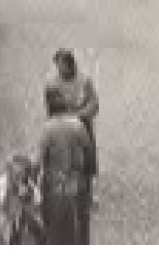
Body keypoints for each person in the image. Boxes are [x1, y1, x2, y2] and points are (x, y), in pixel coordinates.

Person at [37, 84, 93, 244]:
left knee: (55, 232)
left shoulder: (48, 128)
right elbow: (88, 151)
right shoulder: (77, 124)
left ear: (48, 107)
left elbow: (38, 160)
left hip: (56, 189)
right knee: (80, 229)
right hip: (77, 185)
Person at [49, 48, 100, 209]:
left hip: (83, 126)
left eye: (61, 66)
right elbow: (51, 108)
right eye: (57, 66)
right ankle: (69, 196)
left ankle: (88, 196)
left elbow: (94, 104)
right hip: (64, 128)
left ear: (71, 65)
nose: (59, 70)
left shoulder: (85, 81)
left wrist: (79, 115)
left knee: (88, 162)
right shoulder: (52, 84)